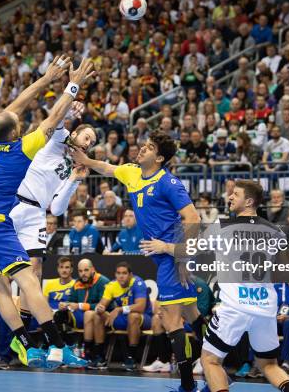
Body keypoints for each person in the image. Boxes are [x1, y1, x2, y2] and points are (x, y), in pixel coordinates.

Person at [0, 55, 93, 370]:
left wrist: (48, 79)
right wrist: (73, 84)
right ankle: (58, 344)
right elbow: (53, 119)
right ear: (15, 131)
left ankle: (26, 345)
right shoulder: (23, 149)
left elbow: (16, 105)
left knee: (0, 288)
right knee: (30, 282)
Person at [74, 130, 205, 392]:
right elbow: (107, 167)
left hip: (171, 257)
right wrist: (84, 160)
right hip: (162, 258)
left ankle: (189, 384)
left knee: (170, 321)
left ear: (159, 158)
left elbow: (194, 219)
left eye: (150, 147)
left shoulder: (168, 183)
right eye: (144, 144)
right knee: (193, 314)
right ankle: (216, 365)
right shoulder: (133, 172)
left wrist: (172, 249)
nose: (143, 148)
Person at [200, 180, 289, 392]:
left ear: (249, 201)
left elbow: (188, 250)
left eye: (236, 194)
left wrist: (164, 246)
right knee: (269, 365)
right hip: (265, 307)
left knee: (210, 360)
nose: (230, 197)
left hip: (235, 306)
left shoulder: (222, 226)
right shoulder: (275, 230)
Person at [6, 100, 94, 330]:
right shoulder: (58, 140)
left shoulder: (72, 168)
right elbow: (54, 122)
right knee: (1, 266)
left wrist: (74, 181)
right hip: (16, 203)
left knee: (35, 269)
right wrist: (70, 110)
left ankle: (24, 326)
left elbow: (56, 209)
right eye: (87, 138)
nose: (89, 143)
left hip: (37, 212)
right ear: (75, 134)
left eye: (92, 143)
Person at [94, 262, 153, 371]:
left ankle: (131, 358)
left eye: (124, 273)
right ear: (115, 275)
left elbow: (141, 307)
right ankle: (100, 357)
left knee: (133, 316)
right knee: (97, 315)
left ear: (130, 275)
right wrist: (100, 308)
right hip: (124, 318)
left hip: (145, 317)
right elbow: (102, 304)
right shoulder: (112, 285)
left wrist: (120, 309)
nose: (121, 276)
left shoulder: (138, 283)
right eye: (118, 273)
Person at [56, 259, 110, 365]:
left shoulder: (103, 281)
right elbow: (71, 300)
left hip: (103, 315)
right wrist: (65, 304)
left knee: (89, 314)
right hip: (82, 316)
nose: (83, 274)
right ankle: (62, 351)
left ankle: (92, 353)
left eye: (86, 270)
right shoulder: (77, 283)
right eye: (80, 271)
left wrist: (80, 305)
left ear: (93, 269)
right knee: (59, 315)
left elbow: (101, 306)